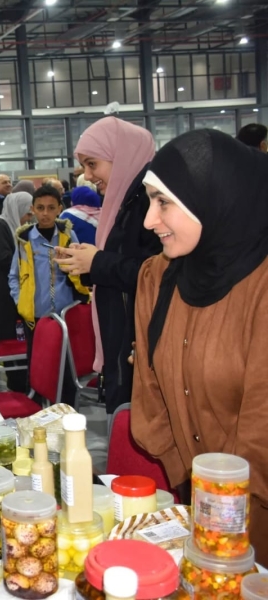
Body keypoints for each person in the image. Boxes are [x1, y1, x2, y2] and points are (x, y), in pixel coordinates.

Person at [131, 129, 268, 563]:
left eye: (163, 202)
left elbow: (262, 425)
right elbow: (149, 389)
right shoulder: (158, 277)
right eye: (149, 201)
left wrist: (223, 510)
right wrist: (189, 479)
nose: (149, 220)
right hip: (199, 510)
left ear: (213, 199)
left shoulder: (261, 286)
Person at [54, 116, 160, 414]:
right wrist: (87, 261)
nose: (87, 176)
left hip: (137, 339)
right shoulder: (125, 202)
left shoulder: (148, 203)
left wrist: (97, 261)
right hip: (122, 334)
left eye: (92, 164)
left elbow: (156, 272)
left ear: (121, 156)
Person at [10, 185, 89, 405]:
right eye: (40, 208)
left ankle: (66, 409)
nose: (45, 213)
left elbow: (80, 269)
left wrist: (69, 266)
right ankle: (37, 410)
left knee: (66, 365)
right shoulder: (24, 239)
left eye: (51, 208)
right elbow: (13, 275)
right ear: (33, 209)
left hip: (65, 314)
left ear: (59, 209)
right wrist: (20, 301)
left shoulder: (67, 235)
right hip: (35, 314)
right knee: (38, 365)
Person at [0, 191, 33, 392]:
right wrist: (28, 260)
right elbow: (4, 258)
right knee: (11, 337)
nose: (28, 218)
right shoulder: (0, 227)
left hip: (11, 291)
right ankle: (17, 384)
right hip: (3, 295)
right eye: (27, 214)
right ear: (18, 210)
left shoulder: (13, 227)